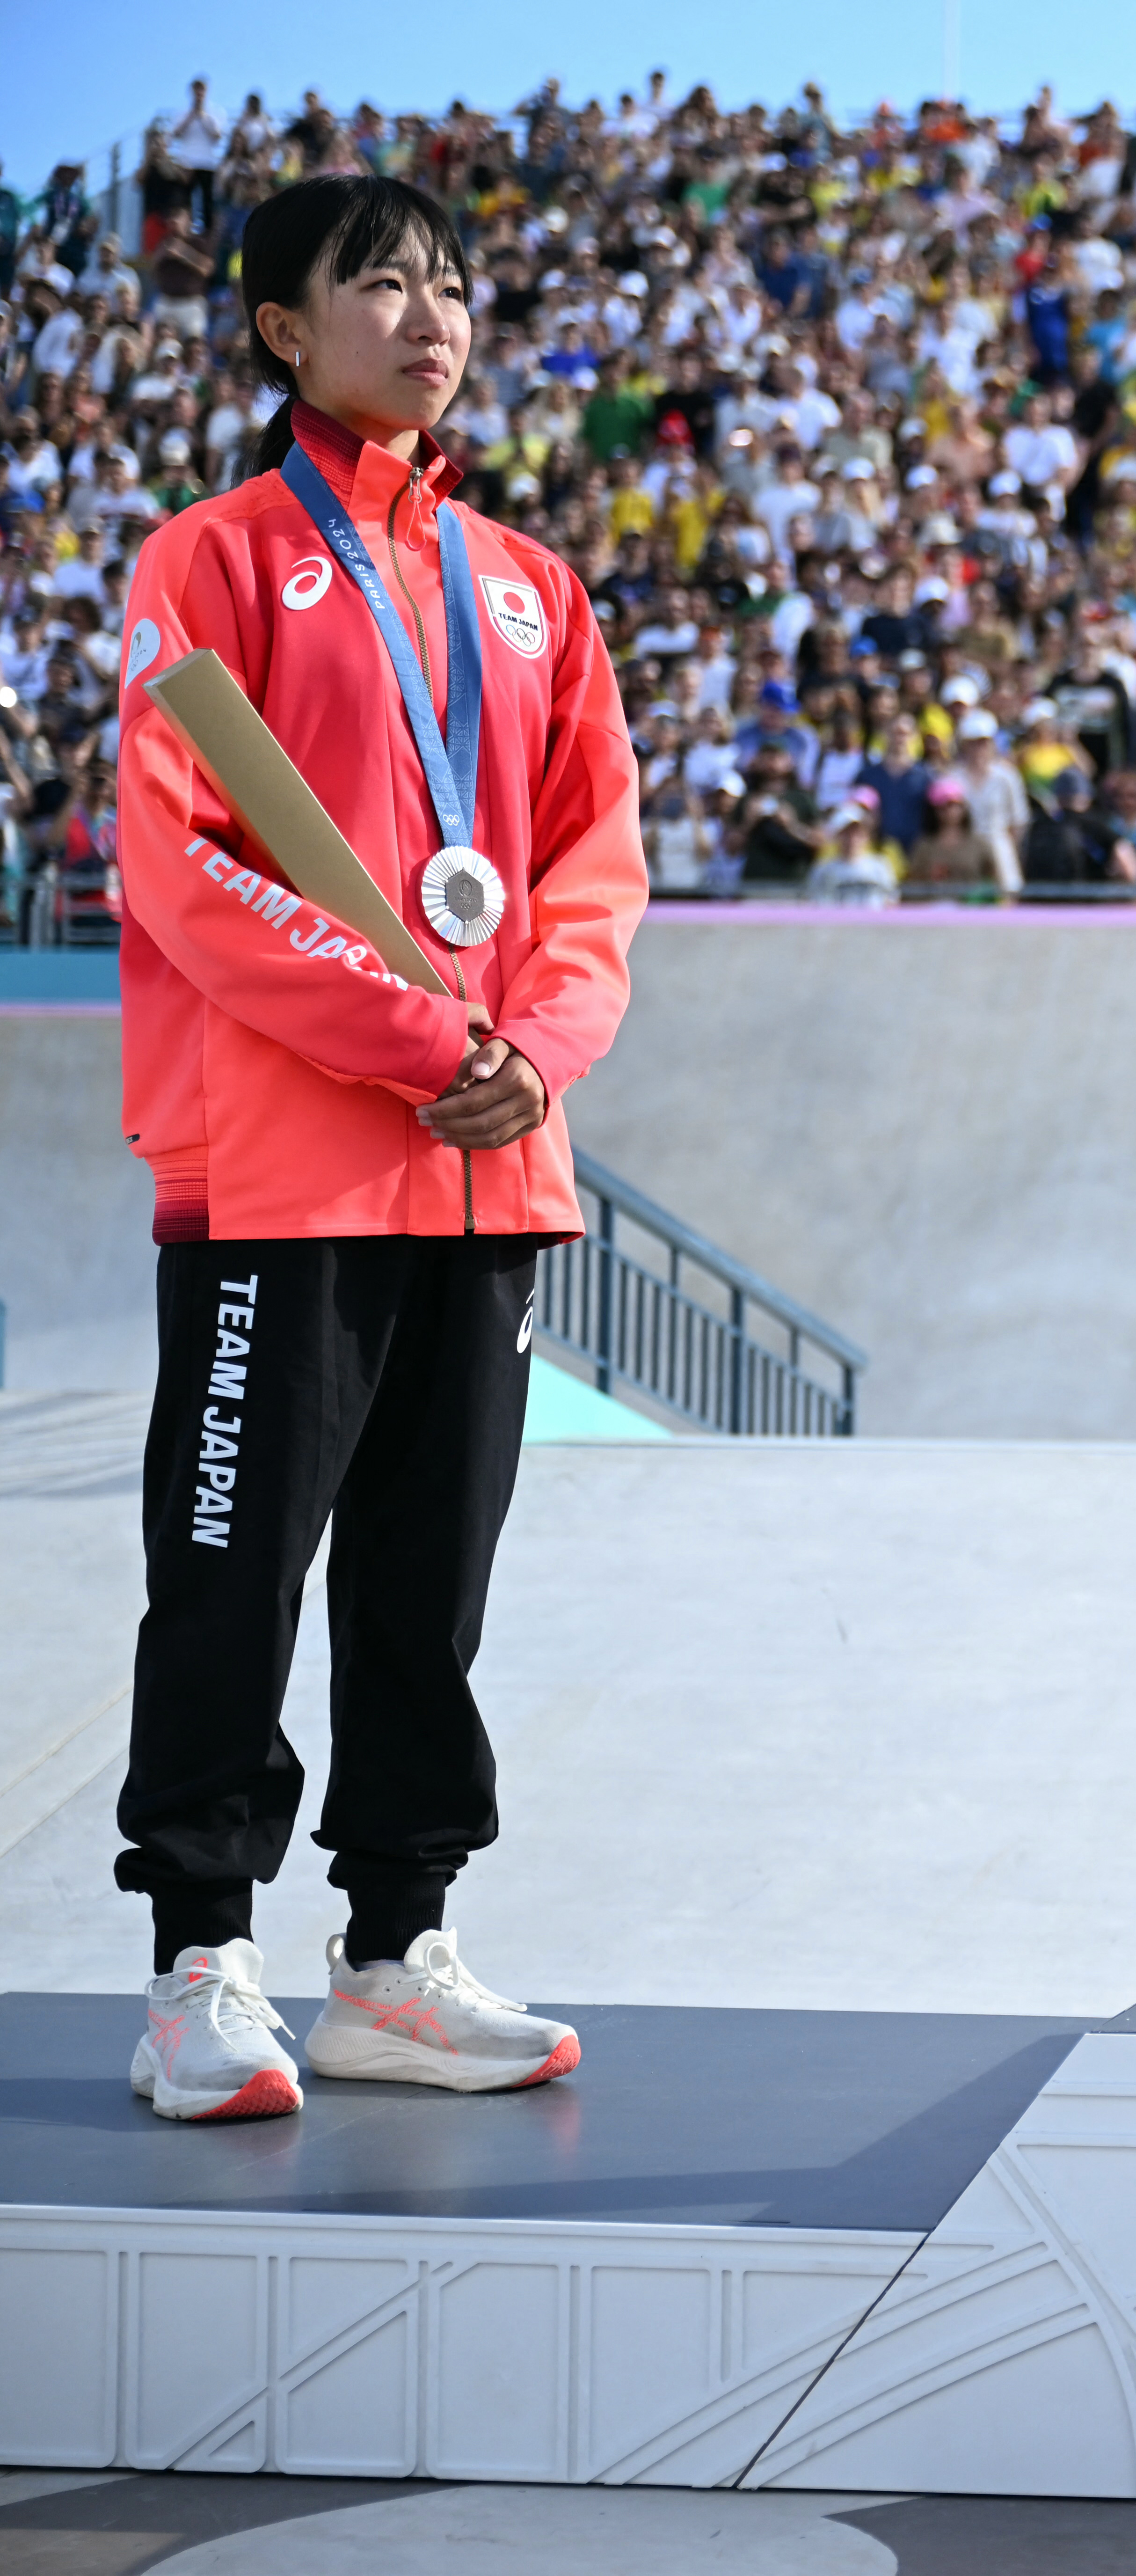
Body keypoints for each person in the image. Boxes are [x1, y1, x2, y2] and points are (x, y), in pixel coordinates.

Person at [108, 175, 642, 2121]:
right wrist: (426, 1032)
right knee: (233, 1568)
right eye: (378, 282)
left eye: (450, 283)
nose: (428, 313)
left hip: (490, 1160)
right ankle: (197, 1961)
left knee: (431, 1582)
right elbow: (186, 865)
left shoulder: (531, 586)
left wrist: (537, 1041)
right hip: (285, 1166)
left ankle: (392, 1955)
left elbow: (593, 863)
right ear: (279, 328)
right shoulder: (220, 560)